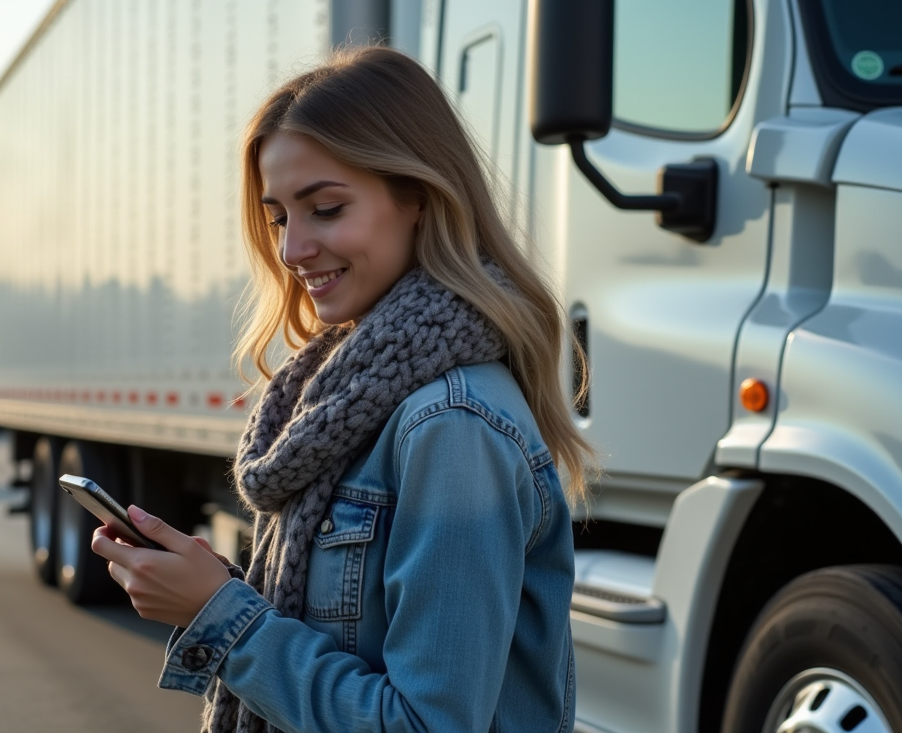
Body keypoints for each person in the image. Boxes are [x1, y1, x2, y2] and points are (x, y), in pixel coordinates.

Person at [90, 46, 595, 733]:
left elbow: (426, 724)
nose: (292, 250)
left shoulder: (452, 426)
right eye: (279, 219)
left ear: (419, 196)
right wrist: (220, 591)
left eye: (325, 208)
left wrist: (222, 618)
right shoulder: (353, 399)